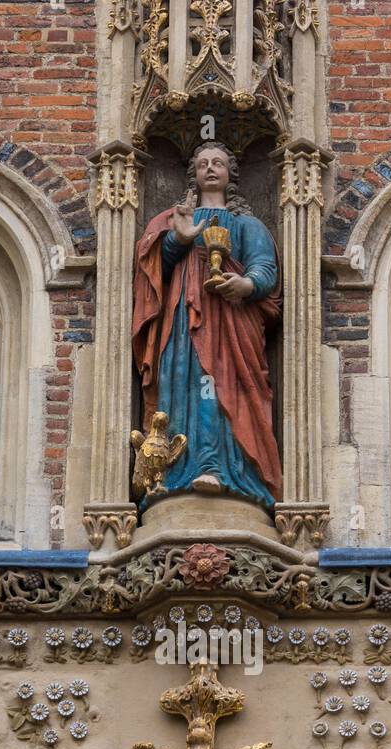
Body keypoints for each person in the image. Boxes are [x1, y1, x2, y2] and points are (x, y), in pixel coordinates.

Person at [132, 142, 282, 506]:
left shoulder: (249, 225)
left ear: (230, 172)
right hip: (183, 320)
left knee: (220, 387)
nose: (210, 169)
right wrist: (178, 240)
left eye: (218, 163)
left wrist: (246, 285)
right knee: (184, 382)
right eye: (202, 164)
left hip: (231, 321)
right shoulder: (174, 219)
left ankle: (225, 469)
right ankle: (174, 473)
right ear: (193, 174)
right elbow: (154, 273)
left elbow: (264, 267)